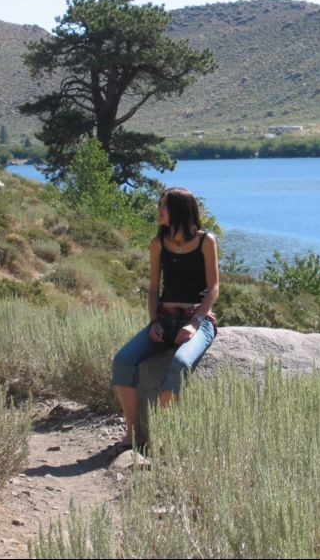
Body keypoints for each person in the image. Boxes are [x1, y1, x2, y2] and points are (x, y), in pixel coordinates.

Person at [107, 187, 219, 457]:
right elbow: (154, 288)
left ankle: (162, 437)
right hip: (164, 320)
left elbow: (214, 287)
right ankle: (133, 435)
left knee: (179, 365)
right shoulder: (158, 242)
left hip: (197, 320)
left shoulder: (206, 241)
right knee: (122, 361)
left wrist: (194, 322)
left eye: (163, 205)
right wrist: (154, 321)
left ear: (179, 209)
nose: (158, 209)